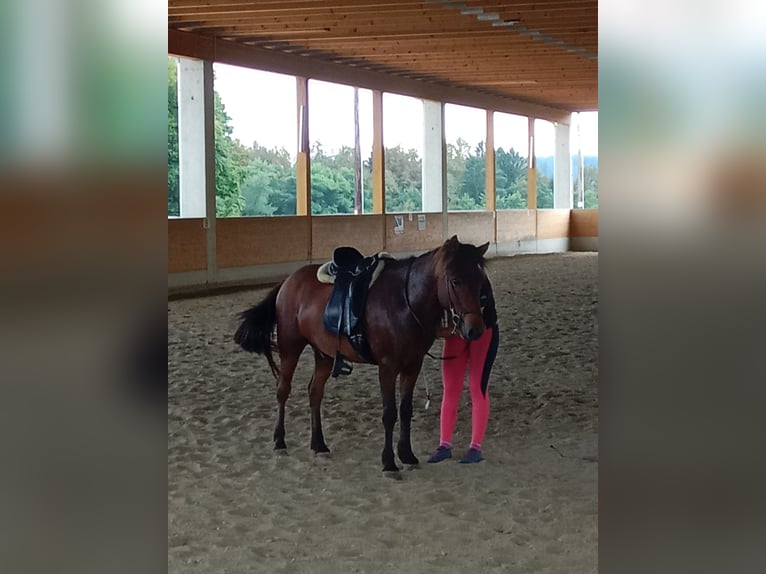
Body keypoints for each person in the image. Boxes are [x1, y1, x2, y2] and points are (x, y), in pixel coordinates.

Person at [428, 275, 499, 464]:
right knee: (450, 388)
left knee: (477, 388)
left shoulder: (479, 281)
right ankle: (444, 444)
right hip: (456, 333)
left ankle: (475, 446)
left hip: (483, 331)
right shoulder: (445, 283)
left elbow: (478, 314)